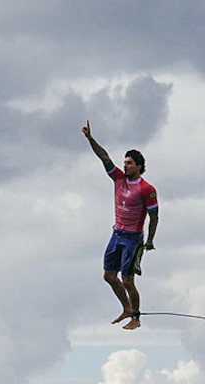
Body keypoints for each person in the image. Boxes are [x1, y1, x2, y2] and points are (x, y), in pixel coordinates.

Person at [82, 120, 159, 330]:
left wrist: (150, 240)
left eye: (130, 163)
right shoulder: (118, 179)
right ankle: (126, 308)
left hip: (133, 239)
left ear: (139, 167)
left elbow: (154, 216)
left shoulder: (147, 189)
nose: (125, 166)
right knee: (108, 275)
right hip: (116, 234)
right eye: (125, 162)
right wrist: (90, 139)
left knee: (127, 279)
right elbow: (104, 156)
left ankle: (136, 317)